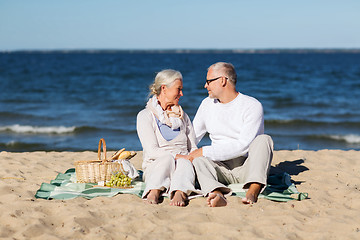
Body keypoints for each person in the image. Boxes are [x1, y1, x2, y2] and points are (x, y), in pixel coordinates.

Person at [189, 62, 274, 207]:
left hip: (246, 167)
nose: (205, 86)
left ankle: (253, 190)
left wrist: (204, 151)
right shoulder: (206, 105)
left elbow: (243, 146)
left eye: (208, 81)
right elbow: (192, 137)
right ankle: (217, 192)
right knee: (198, 161)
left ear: (222, 80)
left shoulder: (251, 105)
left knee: (264, 140)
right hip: (219, 168)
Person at [136, 69, 199, 207]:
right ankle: (154, 190)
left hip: (183, 167)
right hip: (157, 167)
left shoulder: (183, 116)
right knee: (167, 159)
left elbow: (193, 147)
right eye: (179, 89)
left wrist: (190, 158)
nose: (181, 94)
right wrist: (178, 156)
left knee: (184, 163)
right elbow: (152, 151)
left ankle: (179, 192)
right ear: (164, 88)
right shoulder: (145, 115)